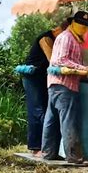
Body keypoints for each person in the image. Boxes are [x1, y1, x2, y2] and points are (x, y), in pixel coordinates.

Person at [41, 11, 88, 163]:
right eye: (81, 24)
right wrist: (84, 69)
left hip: (55, 84)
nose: (84, 28)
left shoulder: (72, 39)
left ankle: (48, 153)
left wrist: (83, 69)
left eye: (86, 26)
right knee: (68, 121)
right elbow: (61, 60)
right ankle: (73, 156)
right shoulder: (67, 38)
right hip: (65, 84)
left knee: (51, 120)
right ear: (72, 23)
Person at [20, 20, 69, 157]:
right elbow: (53, 59)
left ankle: (49, 148)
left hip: (43, 78)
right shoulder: (46, 39)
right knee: (37, 110)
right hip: (33, 77)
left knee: (47, 111)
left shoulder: (56, 39)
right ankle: (36, 148)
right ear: (62, 29)